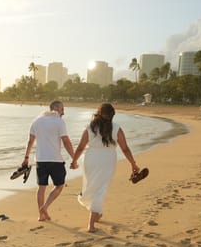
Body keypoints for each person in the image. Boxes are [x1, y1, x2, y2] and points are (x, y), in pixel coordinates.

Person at [69, 103, 140, 233]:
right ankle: (91, 224)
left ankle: (96, 211)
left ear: (99, 113)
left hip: (91, 158)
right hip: (108, 160)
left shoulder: (90, 127)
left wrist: (74, 161)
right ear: (113, 115)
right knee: (100, 188)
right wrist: (133, 164)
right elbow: (125, 148)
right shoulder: (116, 128)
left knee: (91, 185)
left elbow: (80, 147)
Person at [21, 100, 78, 221]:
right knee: (59, 185)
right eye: (62, 109)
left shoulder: (36, 121)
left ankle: (41, 215)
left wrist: (26, 158)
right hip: (55, 160)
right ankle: (45, 207)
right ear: (56, 108)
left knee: (41, 187)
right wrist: (74, 158)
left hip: (40, 160)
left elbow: (30, 141)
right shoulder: (59, 122)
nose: (64, 112)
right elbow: (66, 141)